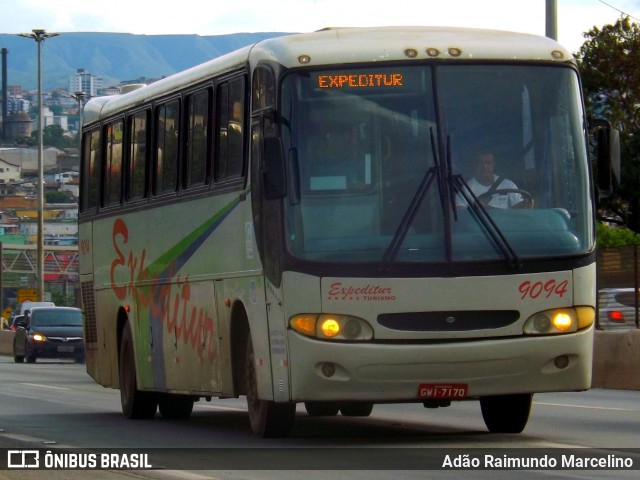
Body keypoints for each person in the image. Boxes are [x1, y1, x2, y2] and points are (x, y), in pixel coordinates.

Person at [460, 151, 529, 209]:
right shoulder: (466, 188)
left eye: (488, 163)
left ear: (493, 165)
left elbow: (519, 209)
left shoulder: (508, 184)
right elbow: (459, 211)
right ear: (475, 165)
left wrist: (525, 204)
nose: (484, 166)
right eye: (481, 163)